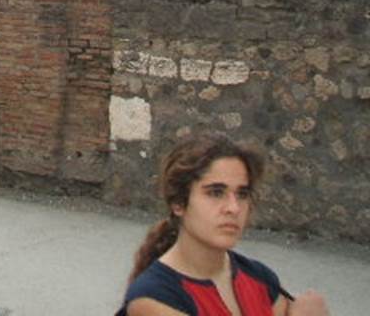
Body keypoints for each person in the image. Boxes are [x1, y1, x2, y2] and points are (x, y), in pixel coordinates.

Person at [118, 134, 329, 316]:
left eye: (242, 194)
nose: (233, 208)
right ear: (178, 204)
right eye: (215, 193)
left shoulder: (260, 278)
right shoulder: (153, 297)